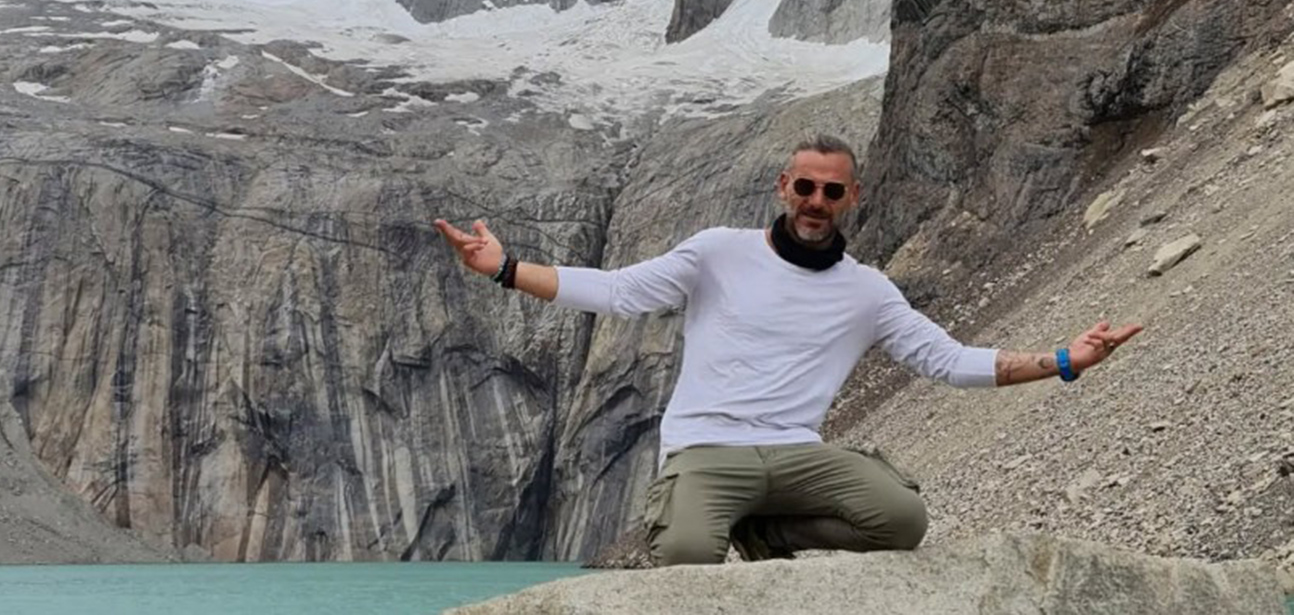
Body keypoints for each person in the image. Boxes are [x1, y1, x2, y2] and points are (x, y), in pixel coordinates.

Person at [435, 132, 1141, 566]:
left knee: (902, 519)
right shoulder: (717, 252)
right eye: (805, 185)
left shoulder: (867, 291)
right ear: (783, 186)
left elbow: (948, 359)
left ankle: (769, 536)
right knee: (685, 557)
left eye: (831, 190)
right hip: (707, 448)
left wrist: (1063, 360)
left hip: (799, 455)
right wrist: (503, 266)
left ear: (851, 197)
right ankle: (718, 517)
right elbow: (618, 290)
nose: (815, 199)